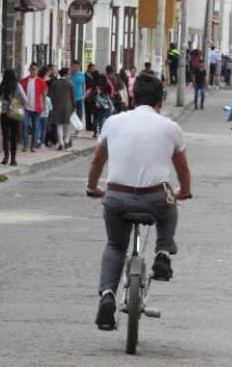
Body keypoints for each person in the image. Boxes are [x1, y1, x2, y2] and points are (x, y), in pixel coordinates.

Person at [86, 74, 192, 331]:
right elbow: (183, 170)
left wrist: (92, 188)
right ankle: (163, 253)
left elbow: (97, 162)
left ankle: (107, 295)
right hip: (156, 197)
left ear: (133, 98)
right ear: (161, 100)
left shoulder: (113, 122)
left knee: (114, 245)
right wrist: (184, 192)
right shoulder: (170, 127)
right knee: (170, 200)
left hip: (117, 196)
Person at [0, 69, 28, 166]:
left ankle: (5, 157)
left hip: (4, 114)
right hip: (15, 113)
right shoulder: (17, 85)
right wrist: (20, 106)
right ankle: (13, 159)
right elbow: (25, 99)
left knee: (5, 136)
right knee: (14, 136)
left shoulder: (1, 86)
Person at [20, 62, 49, 152]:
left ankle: (32, 146)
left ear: (37, 70)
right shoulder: (24, 81)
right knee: (25, 126)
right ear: (29, 70)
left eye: (35, 69)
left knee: (35, 127)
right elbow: (20, 94)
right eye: (32, 69)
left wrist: (44, 105)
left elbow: (44, 94)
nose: (34, 71)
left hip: (37, 108)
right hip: (26, 108)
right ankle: (25, 144)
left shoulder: (41, 81)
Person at [49, 67, 76, 150]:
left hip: (57, 107)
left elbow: (51, 96)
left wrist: (54, 104)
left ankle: (61, 143)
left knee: (59, 125)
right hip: (68, 107)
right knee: (68, 125)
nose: (69, 74)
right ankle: (66, 141)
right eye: (69, 73)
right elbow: (72, 97)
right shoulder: (70, 83)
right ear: (66, 74)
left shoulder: (54, 83)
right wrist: (74, 107)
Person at [69, 60, 86, 127]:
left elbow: (83, 85)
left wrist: (84, 94)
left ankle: (78, 127)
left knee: (79, 113)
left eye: (77, 67)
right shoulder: (69, 75)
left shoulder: (81, 74)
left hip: (79, 97)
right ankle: (71, 127)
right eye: (74, 67)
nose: (76, 68)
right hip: (70, 97)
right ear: (72, 67)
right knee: (71, 113)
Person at [85, 63, 97, 131]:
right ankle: (88, 125)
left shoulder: (93, 75)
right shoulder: (85, 75)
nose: (93, 69)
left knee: (92, 111)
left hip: (93, 95)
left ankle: (91, 124)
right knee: (88, 111)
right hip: (87, 95)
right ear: (89, 68)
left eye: (94, 68)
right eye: (92, 68)